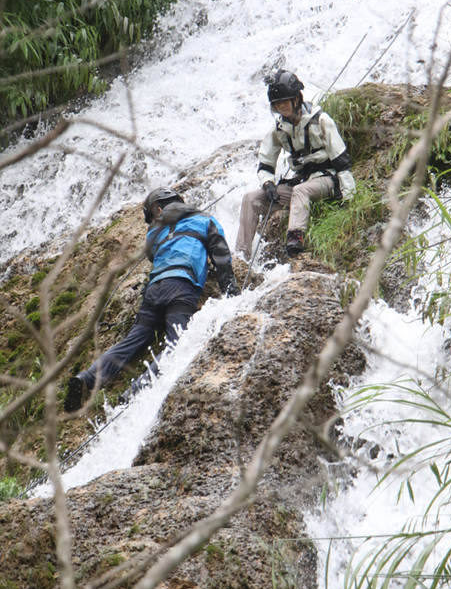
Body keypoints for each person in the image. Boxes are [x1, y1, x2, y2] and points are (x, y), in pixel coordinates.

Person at [64, 187, 240, 412]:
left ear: (158, 208)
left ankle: (87, 377)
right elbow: (222, 257)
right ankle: (136, 391)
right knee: (177, 345)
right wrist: (231, 293)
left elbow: (151, 255)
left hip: (154, 290)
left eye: (151, 216)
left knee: (132, 341)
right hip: (181, 287)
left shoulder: (153, 232)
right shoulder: (206, 220)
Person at [235, 69, 355, 259]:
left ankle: (295, 238)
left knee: (301, 190)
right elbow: (265, 165)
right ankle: (242, 255)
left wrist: (349, 199)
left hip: (328, 182)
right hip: (302, 184)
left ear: (297, 99)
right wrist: (268, 184)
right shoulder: (278, 130)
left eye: (285, 100)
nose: (281, 106)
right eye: (277, 102)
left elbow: (342, 162)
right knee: (251, 198)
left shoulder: (322, 120)